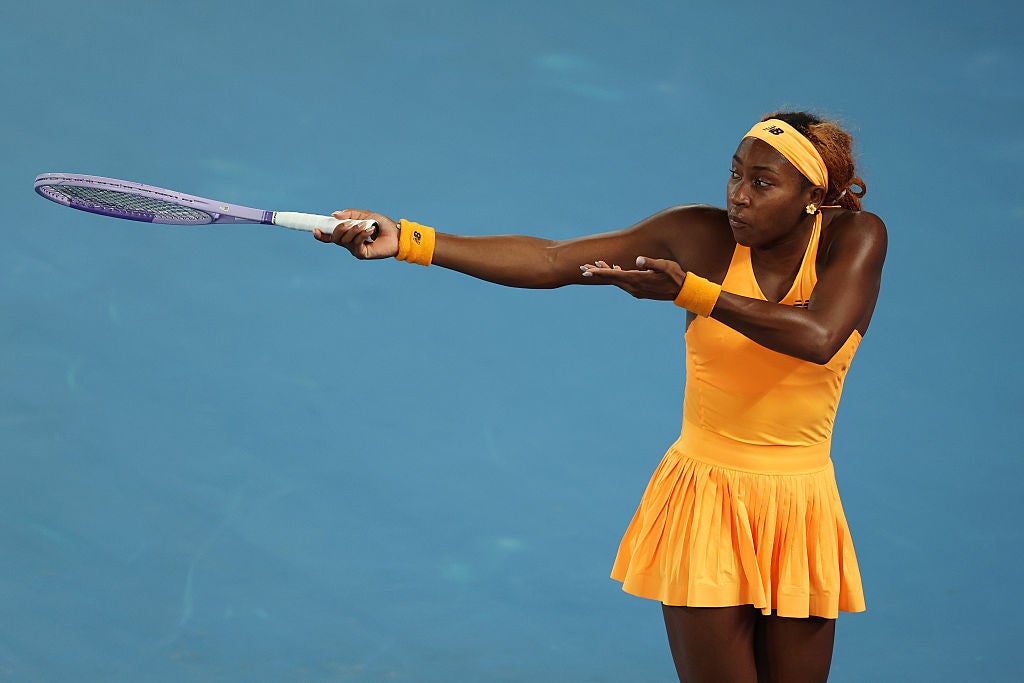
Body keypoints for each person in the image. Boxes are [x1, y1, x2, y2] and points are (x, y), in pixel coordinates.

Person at [314, 111, 887, 683]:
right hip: (706, 502)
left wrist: (693, 292)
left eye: (762, 183)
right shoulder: (697, 234)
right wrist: (410, 240)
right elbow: (552, 260)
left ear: (813, 196)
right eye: (734, 175)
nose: (739, 196)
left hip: (802, 508)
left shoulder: (856, 237)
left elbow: (818, 337)